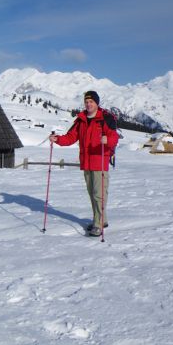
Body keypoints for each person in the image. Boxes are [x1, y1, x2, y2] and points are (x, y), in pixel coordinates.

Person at [49, 91, 119, 237]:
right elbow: (70, 137)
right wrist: (58, 139)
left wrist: (108, 140)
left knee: (98, 195)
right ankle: (101, 220)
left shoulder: (104, 118)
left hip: (99, 161)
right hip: (86, 162)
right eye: (86, 102)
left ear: (97, 103)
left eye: (91, 102)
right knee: (92, 194)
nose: (88, 104)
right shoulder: (81, 120)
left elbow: (114, 136)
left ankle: (98, 224)